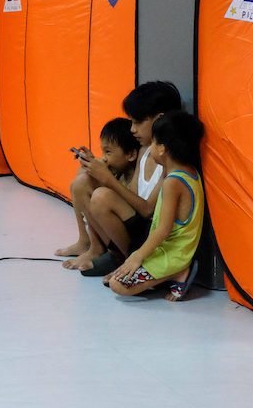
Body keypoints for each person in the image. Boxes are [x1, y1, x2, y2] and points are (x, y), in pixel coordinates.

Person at [57, 81, 182, 274]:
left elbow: (148, 210)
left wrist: (108, 179)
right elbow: (131, 193)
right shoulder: (144, 151)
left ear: (159, 119)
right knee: (83, 180)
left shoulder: (169, 159)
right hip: (136, 223)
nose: (132, 129)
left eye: (137, 122)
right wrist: (101, 169)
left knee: (101, 196)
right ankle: (95, 247)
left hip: (151, 235)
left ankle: (127, 261)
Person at [107, 110, 205, 301]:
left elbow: (163, 229)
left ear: (162, 148)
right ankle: (171, 272)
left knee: (117, 284)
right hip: (173, 250)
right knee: (118, 274)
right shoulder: (189, 172)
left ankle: (178, 273)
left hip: (174, 254)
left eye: (153, 142)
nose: (150, 147)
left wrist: (137, 257)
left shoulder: (172, 182)